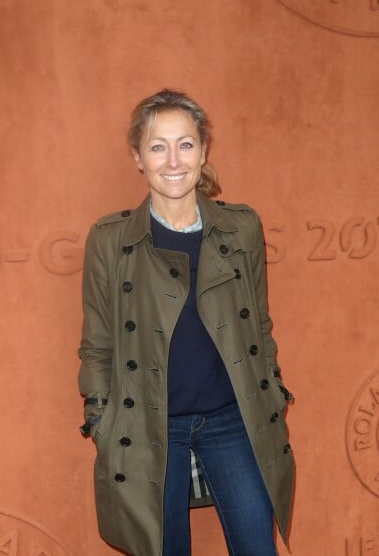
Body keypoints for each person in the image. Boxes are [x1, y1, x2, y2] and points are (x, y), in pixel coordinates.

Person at [78, 89, 294, 556]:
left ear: (203, 150)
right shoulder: (110, 240)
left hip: (233, 418)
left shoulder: (242, 228)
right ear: (138, 157)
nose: (173, 160)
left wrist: (272, 389)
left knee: (259, 546)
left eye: (185, 144)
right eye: (158, 146)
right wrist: (101, 419)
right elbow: (97, 344)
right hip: (148, 423)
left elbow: (258, 325)